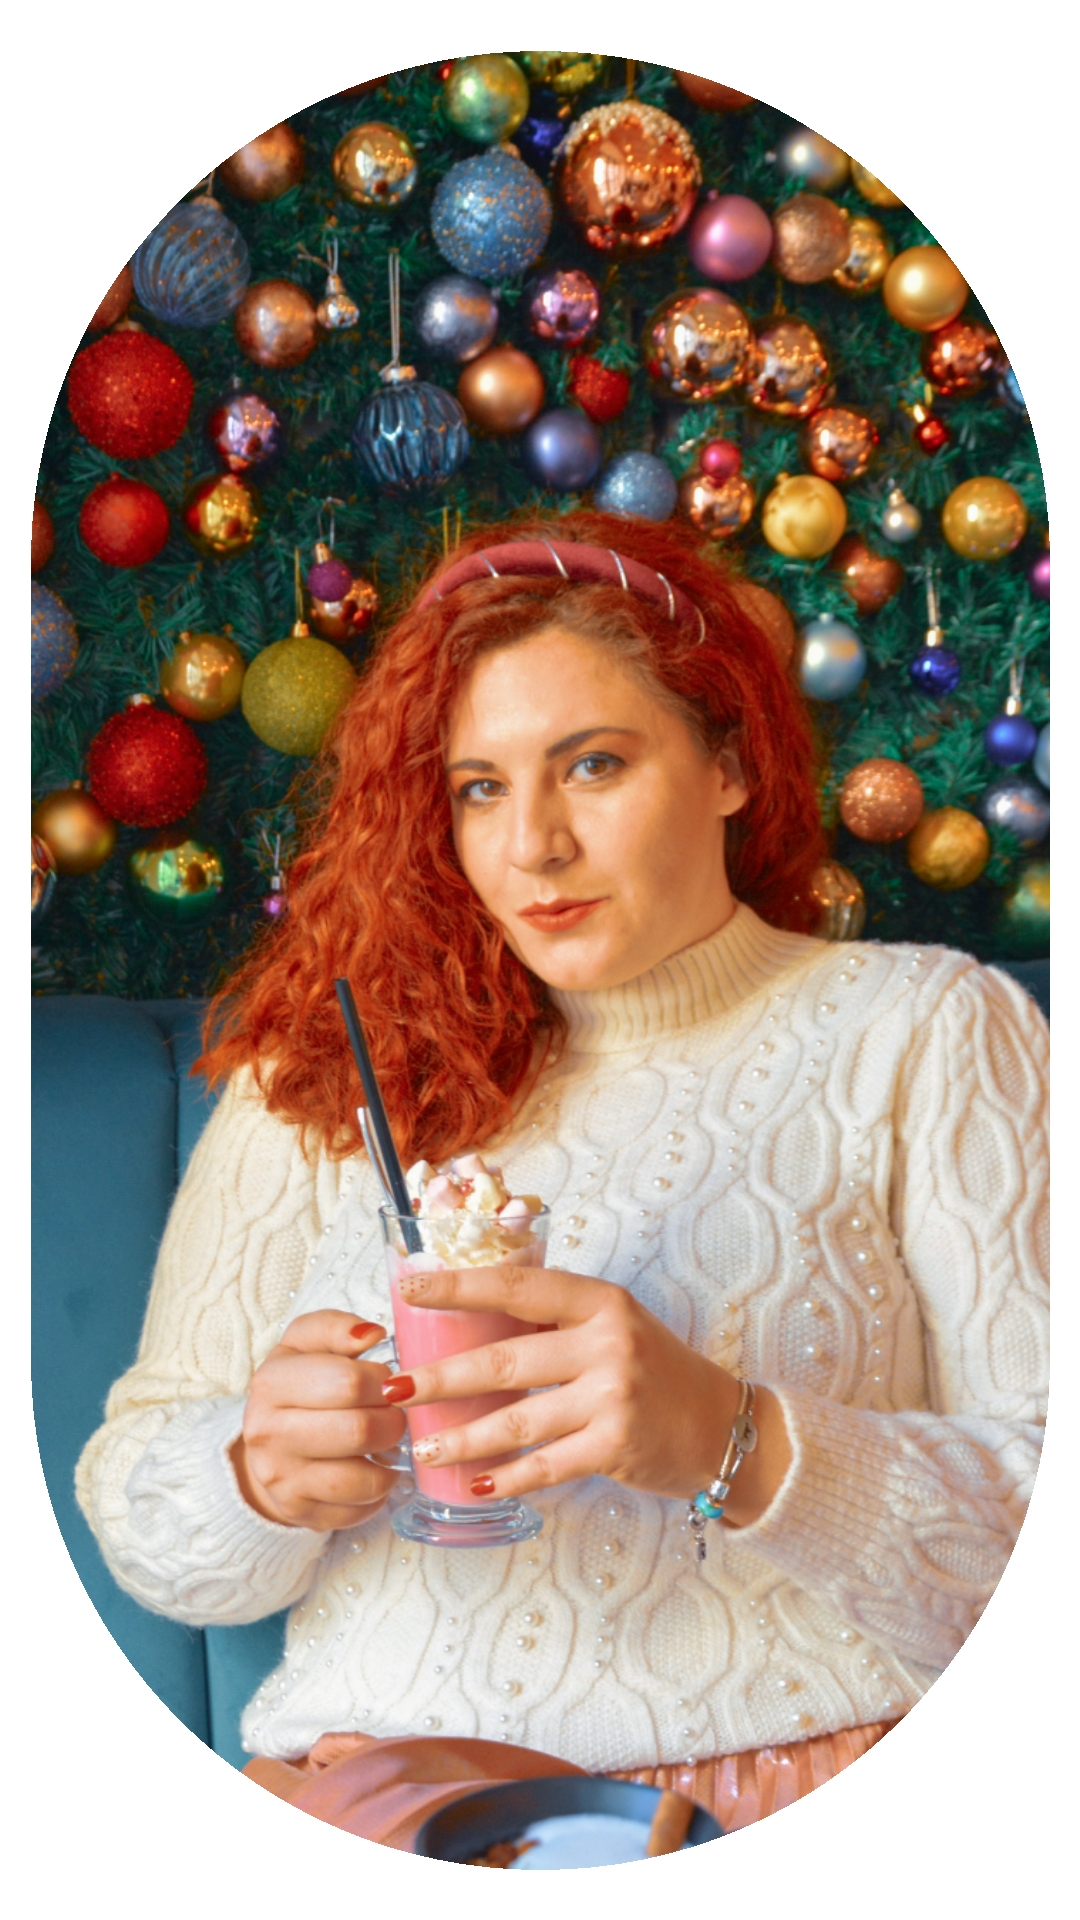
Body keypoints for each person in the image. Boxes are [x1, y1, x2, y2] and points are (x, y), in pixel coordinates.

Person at [76, 509, 1049, 1842]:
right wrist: (254, 1475)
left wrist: (732, 1437)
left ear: (728, 760)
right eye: (479, 787)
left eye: (592, 764)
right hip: (378, 1807)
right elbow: (137, 1513)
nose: (532, 844)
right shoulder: (328, 1066)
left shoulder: (927, 1030)